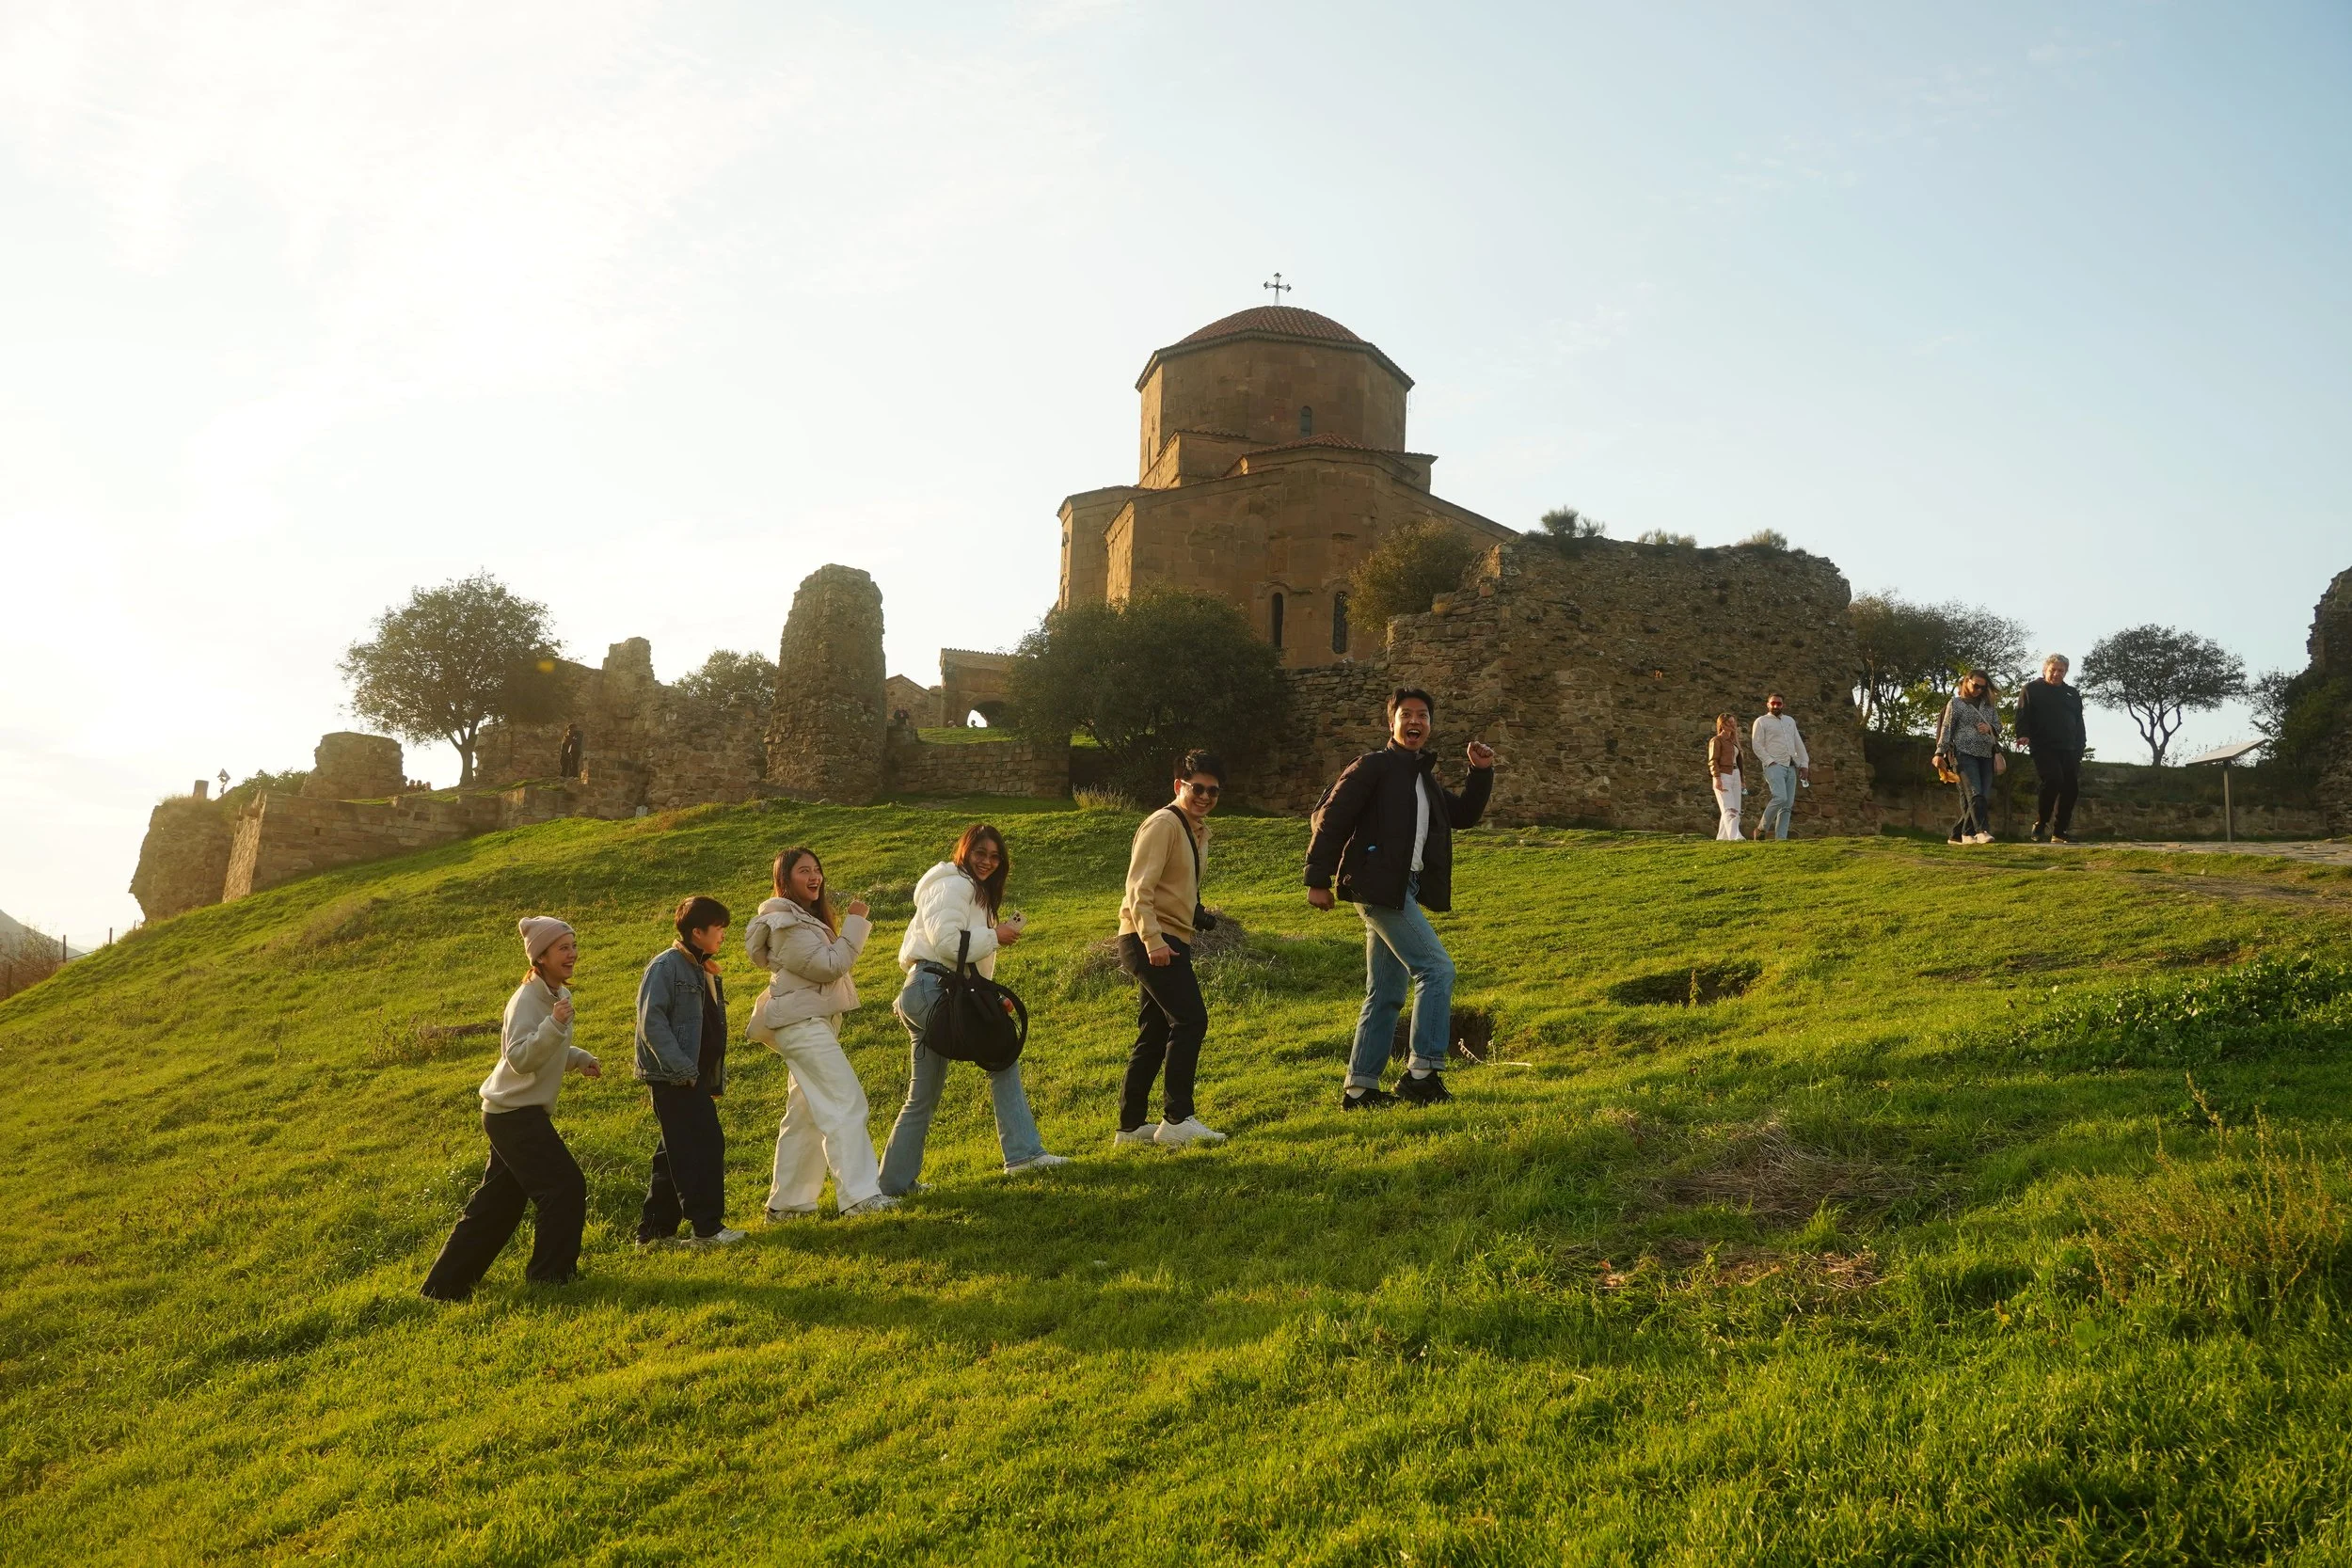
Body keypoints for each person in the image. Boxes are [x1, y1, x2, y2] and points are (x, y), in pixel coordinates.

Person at [1304, 688, 1495, 1109]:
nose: (1415, 721)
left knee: (1386, 990)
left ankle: (1360, 1088)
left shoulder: (1421, 777)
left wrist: (1479, 772)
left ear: (1429, 725)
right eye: (1407, 714)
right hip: (1375, 887)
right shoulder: (1373, 767)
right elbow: (1332, 819)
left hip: (1401, 887)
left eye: (1423, 716)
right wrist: (1317, 878)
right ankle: (1422, 1073)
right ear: (1391, 722)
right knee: (1436, 969)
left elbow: (1461, 816)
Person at [878, 824, 1070, 1192]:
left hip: (929, 989)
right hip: (936, 988)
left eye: (995, 856)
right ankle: (1024, 1155)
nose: (987, 862)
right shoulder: (954, 883)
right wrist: (995, 936)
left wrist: (991, 998)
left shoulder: (968, 889)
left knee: (923, 1095)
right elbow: (949, 944)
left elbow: (958, 957)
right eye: (980, 853)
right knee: (1002, 1052)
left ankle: (893, 1184)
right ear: (964, 850)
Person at [420, 916, 600, 1300]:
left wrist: (580, 1058)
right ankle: (550, 1277)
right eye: (563, 948)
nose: (572, 954)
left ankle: (444, 1286)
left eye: (573, 945)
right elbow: (519, 1057)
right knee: (564, 1187)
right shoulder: (526, 1000)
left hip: (518, 1112)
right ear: (541, 957)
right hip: (512, 1114)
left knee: (497, 1204)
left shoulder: (558, 995)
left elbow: (549, 1051)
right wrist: (553, 1026)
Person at [745, 847, 896, 1220]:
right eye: (803, 871)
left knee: (806, 1113)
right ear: (785, 879)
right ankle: (861, 1198)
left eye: (817, 870)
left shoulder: (801, 919)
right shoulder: (786, 923)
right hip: (803, 1027)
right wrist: (856, 923)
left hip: (809, 1024)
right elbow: (829, 966)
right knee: (846, 1101)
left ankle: (788, 1205)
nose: (814, 877)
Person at [1114, 750, 1228, 1149]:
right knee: (1190, 1021)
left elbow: (1172, 888)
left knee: (1156, 1030)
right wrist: (1154, 940)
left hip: (1170, 936)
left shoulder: (1195, 830)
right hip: (1151, 939)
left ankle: (1129, 1129)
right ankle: (1178, 1118)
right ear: (1179, 786)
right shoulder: (1163, 823)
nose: (1205, 796)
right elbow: (1138, 888)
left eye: (1213, 791)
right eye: (1197, 788)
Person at [633, 895, 745, 1247]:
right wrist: (684, 1069)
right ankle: (706, 1229)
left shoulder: (701, 967)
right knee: (703, 1145)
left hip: (691, 1074)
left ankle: (653, 1234)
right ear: (697, 931)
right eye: (718, 929)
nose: (723, 936)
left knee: (674, 1153)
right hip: (675, 1076)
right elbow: (651, 1024)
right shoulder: (666, 966)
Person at [2014, 653, 2086, 844]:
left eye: (2061, 671)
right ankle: (2041, 823)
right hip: (2043, 746)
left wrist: (2081, 746)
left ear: (2066, 672)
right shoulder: (2032, 689)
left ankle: (2060, 831)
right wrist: (2022, 734)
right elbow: (2022, 714)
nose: (2056, 674)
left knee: (2071, 788)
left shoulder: (2072, 693)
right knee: (2053, 779)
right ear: (2045, 669)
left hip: (2070, 748)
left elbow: (2079, 722)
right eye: (2053, 670)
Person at [1935, 670, 2007, 845]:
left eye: (1983, 687)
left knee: (1980, 795)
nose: (1979, 690)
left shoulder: (1988, 705)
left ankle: (1960, 835)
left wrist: (1989, 727)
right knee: (1975, 793)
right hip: (1963, 753)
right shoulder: (1956, 703)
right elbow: (1946, 729)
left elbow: (1999, 726)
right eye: (1976, 686)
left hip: (1986, 754)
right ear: (1966, 682)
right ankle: (1981, 831)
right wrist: (1939, 753)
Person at [1749, 693, 1810, 840]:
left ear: (1783, 705)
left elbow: (1798, 743)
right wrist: (1769, 761)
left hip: (1791, 765)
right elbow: (1756, 744)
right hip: (1773, 765)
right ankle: (1761, 828)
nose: (1776, 706)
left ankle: (1781, 839)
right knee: (1780, 797)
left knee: (1787, 805)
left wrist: (1804, 764)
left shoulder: (1790, 721)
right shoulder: (1761, 721)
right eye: (1773, 703)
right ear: (1768, 704)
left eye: (1779, 704)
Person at [1708, 714, 1743, 841]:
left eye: (1733, 722)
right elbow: (1713, 760)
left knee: (1736, 809)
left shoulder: (1734, 742)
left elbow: (1739, 762)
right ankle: (1735, 836)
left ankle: (1722, 839)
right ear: (1722, 725)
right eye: (1729, 723)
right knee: (1729, 808)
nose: (1732, 725)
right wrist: (1717, 778)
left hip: (1735, 775)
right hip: (1723, 774)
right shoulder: (1716, 740)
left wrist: (1742, 780)